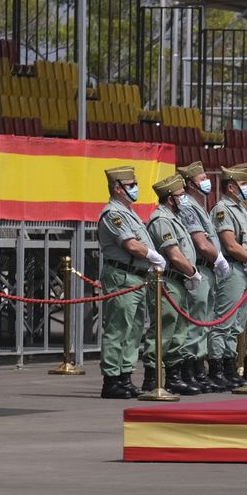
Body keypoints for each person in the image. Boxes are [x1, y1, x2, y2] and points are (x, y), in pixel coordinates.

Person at [97, 166, 164, 400]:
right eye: (131, 185)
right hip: (122, 275)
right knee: (118, 328)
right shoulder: (112, 213)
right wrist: (154, 256)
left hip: (136, 276)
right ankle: (112, 379)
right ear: (117, 188)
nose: (135, 189)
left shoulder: (129, 212)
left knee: (134, 329)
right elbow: (131, 245)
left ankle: (125, 375)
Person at [175, 160, 235, 389]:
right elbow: (200, 242)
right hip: (199, 267)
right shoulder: (188, 207)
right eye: (202, 179)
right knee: (197, 320)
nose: (207, 182)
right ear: (190, 184)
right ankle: (192, 370)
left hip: (207, 269)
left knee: (206, 320)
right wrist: (218, 258)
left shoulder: (200, 206)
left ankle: (199, 369)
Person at [146, 175, 207, 396]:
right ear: (170, 198)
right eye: (181, 195)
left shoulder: (174, 217)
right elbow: (175, 255)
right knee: (164, 329)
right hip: (169, 280)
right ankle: (153, 377)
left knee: (178, 330)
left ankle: (173, 376)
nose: (185, 199)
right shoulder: (162, 219)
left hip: (178, 281)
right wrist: (193, 273)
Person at [212, 166, 247, 387]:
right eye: (243, 184)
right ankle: (217, 368)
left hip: (243, 270)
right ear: (231, 187)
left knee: (236, 324)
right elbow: (231, 244)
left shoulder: (241, 209)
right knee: (224, 321)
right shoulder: (223, 209)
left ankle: (230, 368)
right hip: (233, 269)